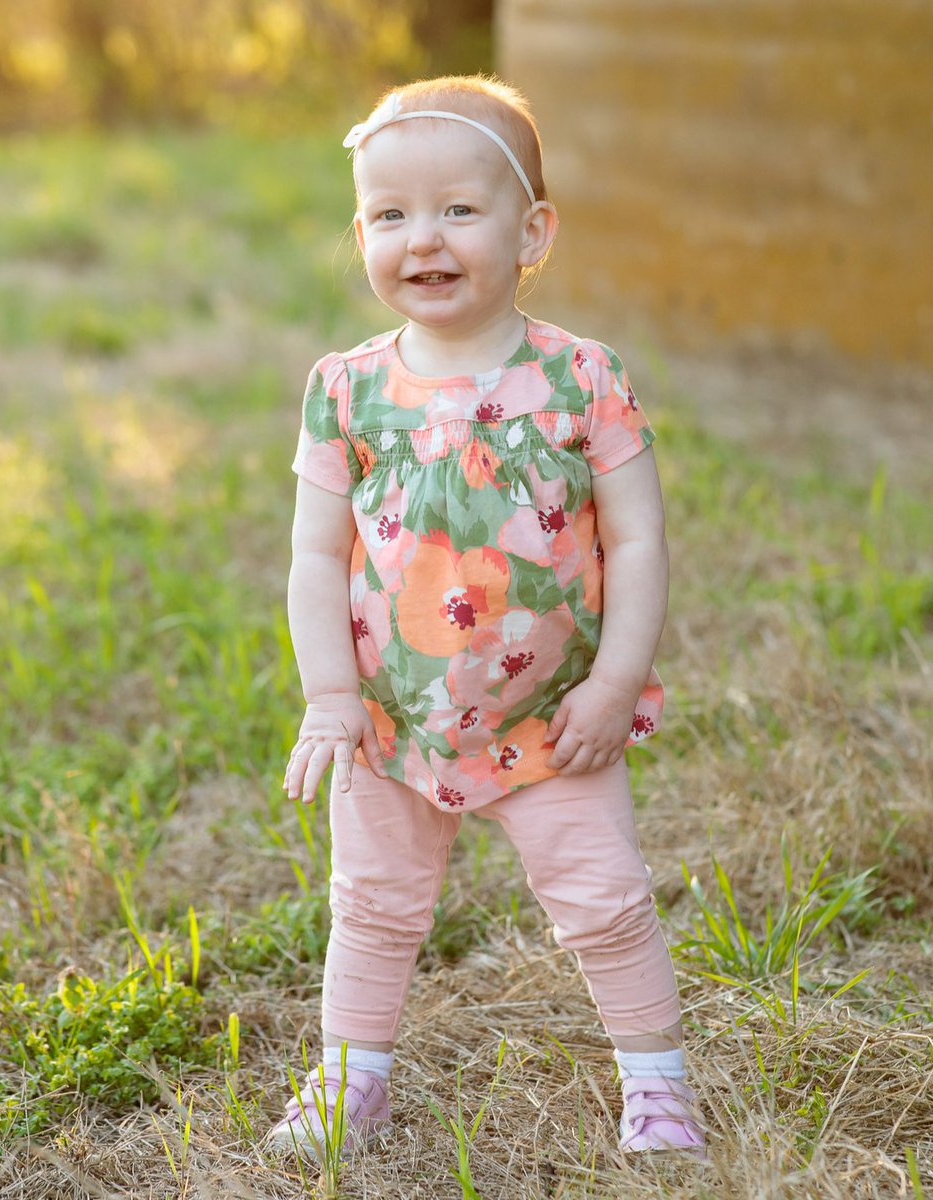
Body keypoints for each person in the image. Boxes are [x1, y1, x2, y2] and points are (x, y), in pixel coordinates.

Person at [270, 74, 706, 1159]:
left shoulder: (583, 377)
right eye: (388, 214)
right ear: (361, 230)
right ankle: (348, 1082)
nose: (423, 237)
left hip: (552, 716)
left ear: (532, 230)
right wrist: (332, 693)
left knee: (605, 904)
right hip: (391, 713)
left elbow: (639, 540)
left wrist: (612, 687)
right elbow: (315, 555)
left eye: (459, 209)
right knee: (371, 905)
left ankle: (657, 1090)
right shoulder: (345, 390)